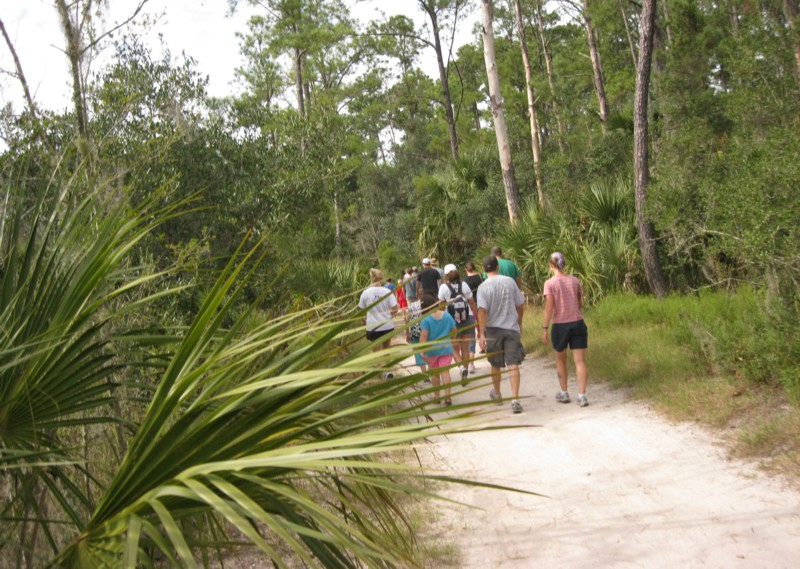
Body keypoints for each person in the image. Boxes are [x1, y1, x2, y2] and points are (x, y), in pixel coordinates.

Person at [477, 255, 526, 414]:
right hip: (511, 327)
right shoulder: (509, 282)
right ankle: (515, 399)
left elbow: (482, 311)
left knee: (495, 364)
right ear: (497, 267)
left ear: (484, 270)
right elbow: (520, 304)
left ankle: (497, 394)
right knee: (513, 364)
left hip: (493, 329)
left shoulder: (483, 287)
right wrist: (519, 323)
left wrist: (482, 334)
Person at [541, 252, 589, 407]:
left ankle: (564, 392)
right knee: (580, 361)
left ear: (551, 265)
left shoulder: (550, 283)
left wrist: (545, 327)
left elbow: (549, 307)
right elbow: (579, 302)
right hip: (577, 322)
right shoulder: (575, 280)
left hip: (560, 324)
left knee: (561, 359)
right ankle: (582, 395)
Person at [438, 263, 480, 385]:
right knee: (465, 348)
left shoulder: (443, 288)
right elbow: (472, 303)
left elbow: (441, 306)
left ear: (446, 275)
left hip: (452, 321)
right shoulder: (465, 285)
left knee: (454, 347)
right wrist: (476, 318)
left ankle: (461, 368)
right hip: (468, 318)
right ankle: (465, 375)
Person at [358, 268, 399, 380]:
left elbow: (361, 310)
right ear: (382, 278)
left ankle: (380, 372)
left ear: (371, 278)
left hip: (373, 326)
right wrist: (388, 315)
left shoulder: (366, 293)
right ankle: (387, 371)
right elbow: (395, 309)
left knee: (376, 351)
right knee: (386, 349)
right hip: (387, 325)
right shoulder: (387, 292)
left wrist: (363, 321)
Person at [419, 292, 458, 405]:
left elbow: (424, 336)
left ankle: (437, 396)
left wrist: (421, 351)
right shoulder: (446, 315)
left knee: (435, 374)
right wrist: (452, 339)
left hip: (432, 350)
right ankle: (448, 397)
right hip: (446, 348)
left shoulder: (425, 319)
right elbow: (454, 329)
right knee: (445, 372)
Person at [463, 261, 484, 373]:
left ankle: (470, 362)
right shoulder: (480, 276)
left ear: (466, 270)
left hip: (471, 306)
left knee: (472, 331)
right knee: (480, 327)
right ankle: (483, 344)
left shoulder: (464, 281)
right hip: (481, 303)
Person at [406, 298, 428, 378]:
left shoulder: (411, 306)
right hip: (426, 330)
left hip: (414, 332)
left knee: (419, 353)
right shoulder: (428, 303)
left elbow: (407, 320)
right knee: (428, 351)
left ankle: (425, 375)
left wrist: (407, 333)